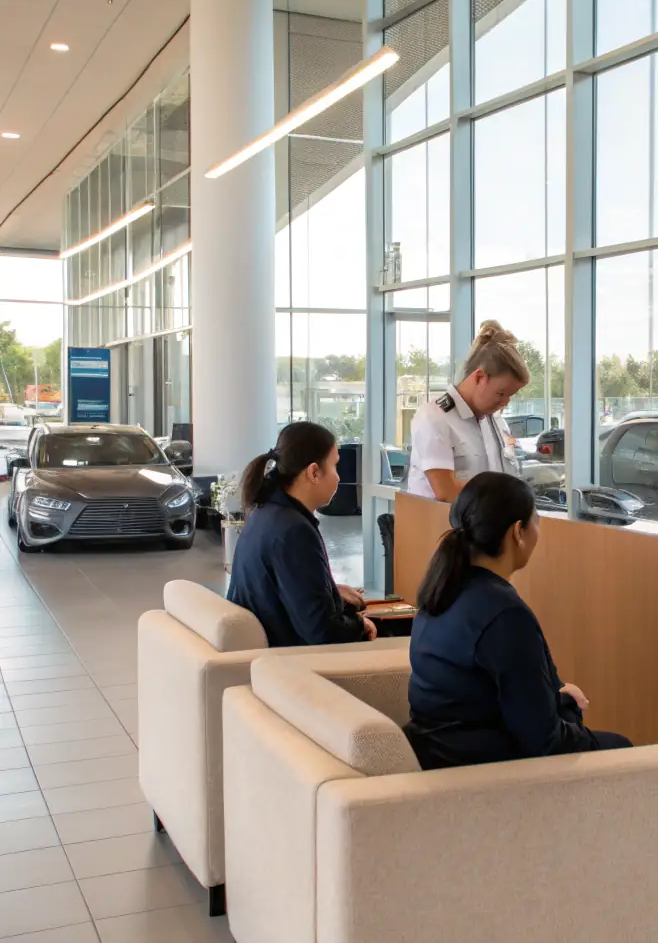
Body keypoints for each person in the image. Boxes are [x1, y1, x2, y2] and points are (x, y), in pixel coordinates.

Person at [406, 471, 632, 769]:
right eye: (536, 520)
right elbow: (545, 742)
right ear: (518, 532)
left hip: (441, 751)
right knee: (624, 751)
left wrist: (557, 697)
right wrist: (568, 707)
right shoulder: (504, 615)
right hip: (483, 768)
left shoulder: (444, 588)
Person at [228, 422, 377, 646]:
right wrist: (359, 625)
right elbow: (323, 633)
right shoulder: (294, 531)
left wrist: (331, 593)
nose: (338, 477)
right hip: (290, 662)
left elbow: (283, 590)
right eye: (335, 466)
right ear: (314, 472)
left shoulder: (265, 513)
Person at [406, 321, 529, 502]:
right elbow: (446, 491)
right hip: (439, 527)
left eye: (511, 396)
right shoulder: (434, 418)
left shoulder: (495, 423)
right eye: (500, 393)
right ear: (479, 377)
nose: (504, 403)